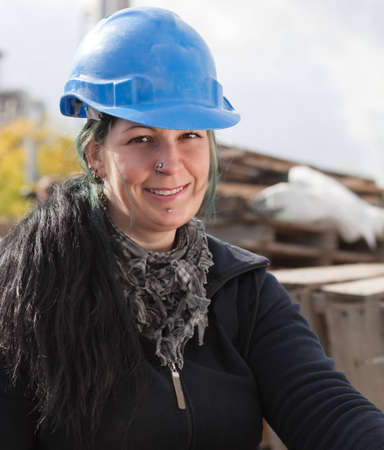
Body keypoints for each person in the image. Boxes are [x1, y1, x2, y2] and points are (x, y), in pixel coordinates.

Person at [0, 7, 383, 450]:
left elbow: (324, 407)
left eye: (190, 136)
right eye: (142, 139)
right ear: (96, 156)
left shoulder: (239, 289)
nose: (170, 164)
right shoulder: (26, 292)